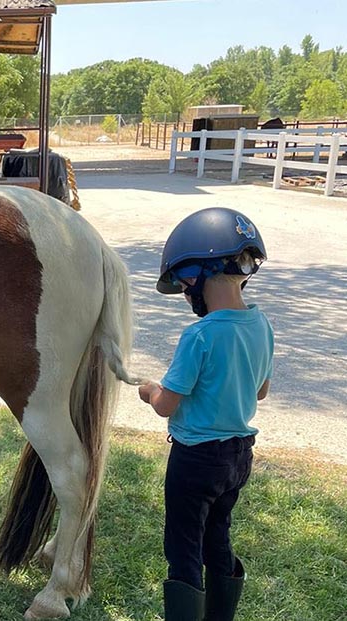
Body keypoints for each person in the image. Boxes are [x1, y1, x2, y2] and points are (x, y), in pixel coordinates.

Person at [137, 208, 274, 621]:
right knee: (218, 537)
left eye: (181, 284)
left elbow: (166, 405)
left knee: (183, 548)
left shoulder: (198, 335)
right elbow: (261, 391)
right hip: (238, 458)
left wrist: (147, 391)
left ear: (198, 277)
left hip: (195, 459)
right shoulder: (262, 324)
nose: (183, 294)